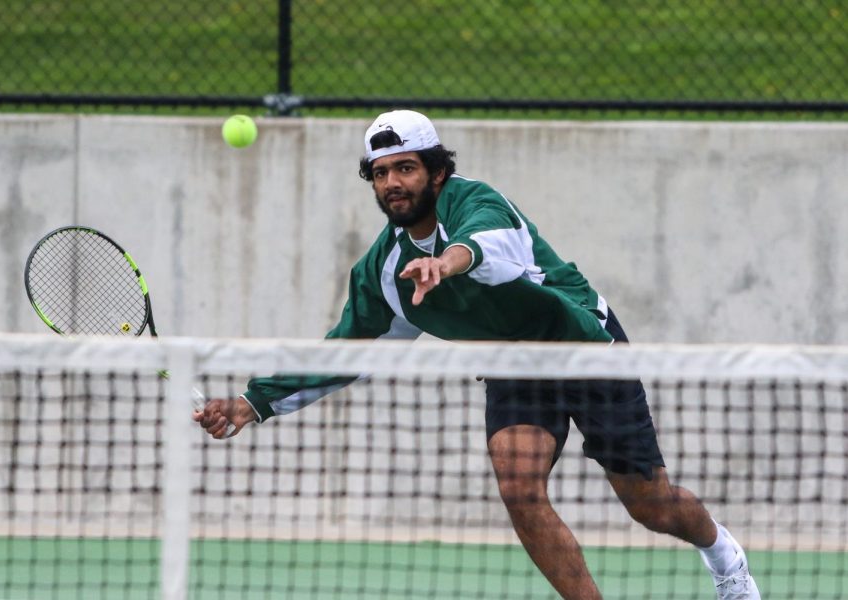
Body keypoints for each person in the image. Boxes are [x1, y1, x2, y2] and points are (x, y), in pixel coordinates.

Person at [194, 110, 761, 600]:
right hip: (512, 364)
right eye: (381, 172)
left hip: (582, 344)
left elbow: (494, 248)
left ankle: (724, 557)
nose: (393, 182)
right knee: (518, 486)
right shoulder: (383, 273)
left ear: (437, 172)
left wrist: (447, 262)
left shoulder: (476, 201)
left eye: (406, 168)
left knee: (650, 504)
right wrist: (252, 402)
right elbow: (350, 350)